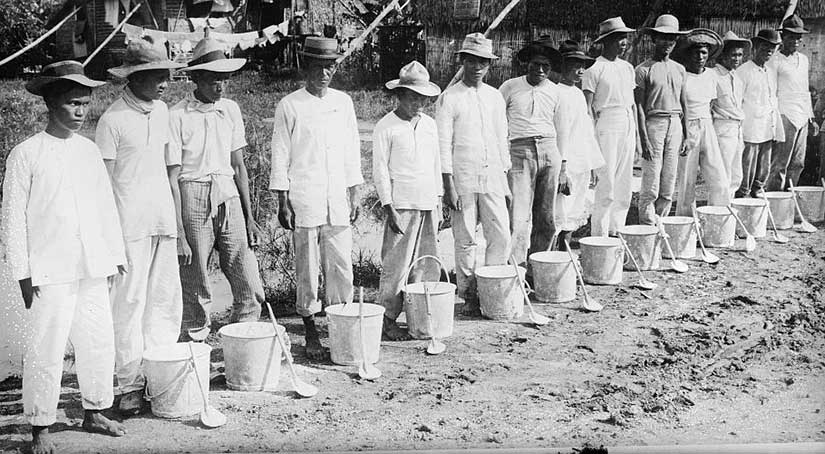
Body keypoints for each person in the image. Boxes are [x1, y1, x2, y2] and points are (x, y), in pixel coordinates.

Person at [2, 60, 127, 454]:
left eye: (85, 104)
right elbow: (12, 219)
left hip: (90, 263)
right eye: (72, 103)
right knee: (46, 346)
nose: (80, 112)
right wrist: (22, 272)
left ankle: (95, 409)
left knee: (98, 339)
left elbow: (105, 206)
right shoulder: (26, 154)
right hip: (48, 268)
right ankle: (40, 424)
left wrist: (114, 254)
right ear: (51, 103)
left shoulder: (88, 151)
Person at [96, 36, 186, 416]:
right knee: (129, 306)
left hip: (163, 223)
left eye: (166, 74)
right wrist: (109, 240)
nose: (163, 81)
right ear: (132, 78)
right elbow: (103, 186)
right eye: (155, 75)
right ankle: (129, 384)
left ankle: (159, 376)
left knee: (164, 302)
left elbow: (171, 174)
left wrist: (178, 229)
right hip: (127, 228)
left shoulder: (164, 112)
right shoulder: (112, 120)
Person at [270, 37, 363, 359]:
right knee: (307, 268)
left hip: (337, 195)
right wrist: (282, 199)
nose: (324, 73)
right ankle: (309, 325)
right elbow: (280, 155)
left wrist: (355, 193)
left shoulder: (344, 102)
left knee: (340, 265)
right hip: (305, 197)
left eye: (330, 67)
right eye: (318, 67)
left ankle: (340, 325)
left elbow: (352, 150)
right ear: (306, 67)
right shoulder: (291, 105)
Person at [170, 37, 265, 341]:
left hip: (227, 192)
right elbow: (172, 174)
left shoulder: (231, 110)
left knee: (243, 263)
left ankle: (244, 331)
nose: (219, 86)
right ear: (196, 78)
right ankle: (196, 335)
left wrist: (250, 217)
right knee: (196, 268)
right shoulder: (177, 115)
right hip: (193, 189)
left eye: (223, 79)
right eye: (212, 79)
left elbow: (238, 166)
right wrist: (179, 227)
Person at [437, 33, 511, 316]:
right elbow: (444, 145)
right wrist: (449, 185)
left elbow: (501, 138)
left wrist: (505, 180)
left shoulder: (494, 97)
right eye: (471, 61)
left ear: (489, 65)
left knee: (501, 234)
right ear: (463, 62)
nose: (476, 67)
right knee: (465, 237)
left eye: (482, 62)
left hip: (492, 176)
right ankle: (468, 293)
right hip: (464, 177)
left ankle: (491, 285)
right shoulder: (449, 98)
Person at [372, 61, 442, 340]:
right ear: (399, 96)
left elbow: (436, 164)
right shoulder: (385, 126)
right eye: (413, 97)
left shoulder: (429, 125)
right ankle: (387, 317)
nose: (418, 104)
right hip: (401, 204)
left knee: (427, 261)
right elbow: (379, 170)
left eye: (422, 99)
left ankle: (422, 314)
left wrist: (438, 199)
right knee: (396, 264)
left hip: (427, 202)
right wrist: (389, 207)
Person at [498, 39, 562, 264]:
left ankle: (540, 265)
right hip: (520, 151)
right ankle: (516, 266)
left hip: (549, 150)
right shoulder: (510, 87)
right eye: (536, 64)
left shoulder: (556, 91)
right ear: (527, 64)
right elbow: (496, 121)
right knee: (518, 213)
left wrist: (563, 165)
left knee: (545, 216)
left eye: (546, 66)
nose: (541, 70)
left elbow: (562, 130)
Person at [583, 17, 637, 237]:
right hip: (606, 123)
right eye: (617, 38)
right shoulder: (594, 68)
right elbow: (587, 107)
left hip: (627, 122)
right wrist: (591, 140)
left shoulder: (627, 68)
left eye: (624, 38)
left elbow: (632, 103)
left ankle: (618, 230)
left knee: (625, 182)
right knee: (606, 182)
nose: (623, 43)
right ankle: (600, 234)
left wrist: (638, 138)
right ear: (605, 42)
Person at [635, 14, 688, 225]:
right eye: (663, 38)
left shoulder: (679, 69)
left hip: (675, 123)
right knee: (652, 177)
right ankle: (647, 225)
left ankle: (661, 220)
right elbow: (638, 105)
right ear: (654, 39)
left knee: (669, 177)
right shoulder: (643, 69)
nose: (668, 43)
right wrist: (644, 138)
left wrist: (686, 134)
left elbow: (684, 105)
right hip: (654, 123)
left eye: (672, 38)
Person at [554, 41, 605, 248]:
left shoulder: (577, 93)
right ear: (562, 66)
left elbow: (586, 131)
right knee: (560, 211)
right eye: (575, 65)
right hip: (566, 163)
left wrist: (592, 163)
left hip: (581, 161)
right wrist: (562, 168)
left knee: (574, 211)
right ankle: (549, 258)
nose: (580, 70)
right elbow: (561, 133)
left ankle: (565, 256)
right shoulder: (557, 93)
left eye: (582, 65)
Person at [673, 29, 730, 214]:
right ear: (688, 54)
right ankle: (686, 223)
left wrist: (709, 129)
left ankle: (719, 218)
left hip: (707, 125)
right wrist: (685, 135)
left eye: (704, 52)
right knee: (687, 180)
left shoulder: (711, 75)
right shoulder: (682, 75)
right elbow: (679, 106)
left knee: (719, 177)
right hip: (687, 127)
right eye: (695, 52)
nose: (699, 56)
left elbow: (712, 103)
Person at [766, 15, 820, 191]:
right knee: (780, 164)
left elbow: (805, 92)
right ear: (784, 37)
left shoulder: (803, 60)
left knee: (798, 163)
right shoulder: (774, 60)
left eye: (798, 37)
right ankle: (774, 201)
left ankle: (788, 202)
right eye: (791, 36)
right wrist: (775, 121)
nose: (796, 40)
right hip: (784, 115)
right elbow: (772, 93)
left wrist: (811, 119)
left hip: (802, 117)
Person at [736, 29, 784, 198]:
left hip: (767, 125)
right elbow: (738, 102)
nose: (769, 51)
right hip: (751, 126)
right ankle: (743, 193)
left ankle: (758, 189)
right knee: (747, 163)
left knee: (764, 164)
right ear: (755, 47)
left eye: (772, 48)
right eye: (765, 47)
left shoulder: (770, 71)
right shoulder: (743, 71)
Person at [711, 31, 749, 198]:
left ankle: (729, 207)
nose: (737, 59)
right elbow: (709, 106)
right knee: (722, 173)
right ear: (722, 55)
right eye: (733, 55)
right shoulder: (713, 75)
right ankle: (718, 209)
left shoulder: (737, 77)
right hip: (722, 128)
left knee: (736, 173)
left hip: (737, 128)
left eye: (740, 55)